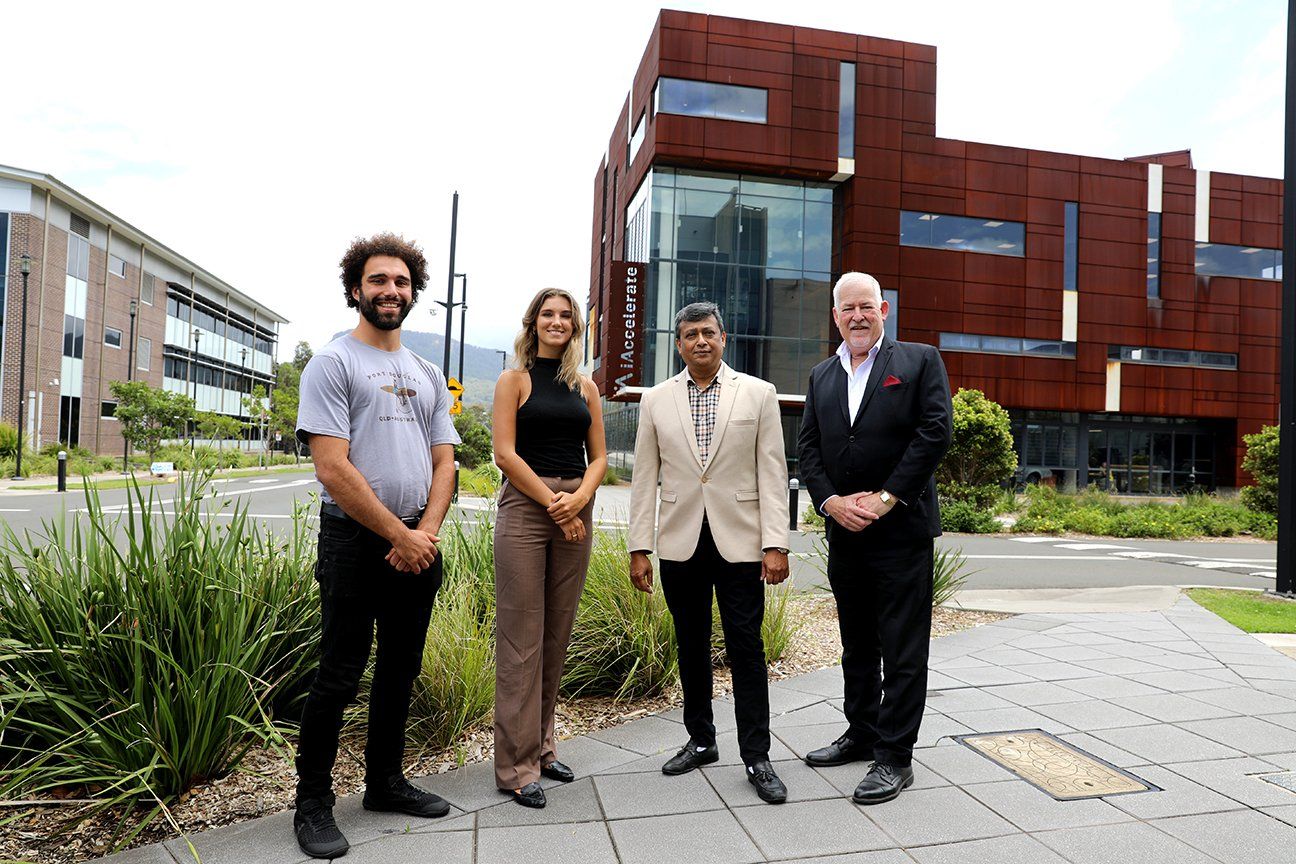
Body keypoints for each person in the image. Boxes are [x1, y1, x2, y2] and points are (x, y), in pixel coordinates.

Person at [292, 233, 460, 858]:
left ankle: (384, 783)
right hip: (355, 542)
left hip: (419, 539)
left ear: (413, 292)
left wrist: (425, 535)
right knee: (338, 671)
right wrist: (398, 535)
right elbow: (331, 468)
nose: (391, 291)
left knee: (399, 669)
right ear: (355, 289)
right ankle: (312, 805)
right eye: (379, 281)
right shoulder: (333, 363)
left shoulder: (425, 371)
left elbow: (446, 464)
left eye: (401, 282)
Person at [796, 271, 952, 805]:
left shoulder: (919, 360)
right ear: (835, 315)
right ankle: (861, 733)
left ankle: (894, 757)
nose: (857, 316)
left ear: (882, 308)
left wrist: (887, 498)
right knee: (856, 643)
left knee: (902, 647)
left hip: (901, 529)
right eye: (847, 309)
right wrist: (830, 502)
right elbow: (809, 449)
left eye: (866, 306)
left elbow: (936, 431)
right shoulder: (821, 374)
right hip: (846, 531)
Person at [628, 301, 790, 805]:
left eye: (709, 333)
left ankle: (757, 756)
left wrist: (776, 543)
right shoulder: (655, 400)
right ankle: (701, 740)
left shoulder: (759, 395)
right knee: (690, 645)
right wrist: (640, 547)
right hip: (680, 543)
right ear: (678, 344)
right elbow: (644, 479)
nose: (700, 341)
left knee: (747, 648)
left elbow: (772, 474)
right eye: (690, 334)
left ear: (724, 339)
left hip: (741, 542)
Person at [491, 288, 608, 808]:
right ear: (533, 322)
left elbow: (599, 457)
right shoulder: (512, 380)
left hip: (574, 508)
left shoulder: (586, 388)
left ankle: (542, 747)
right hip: (525, 507)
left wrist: (578, 497)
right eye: (547, 314)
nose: (556, 322)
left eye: (565, 315)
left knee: (557, 633)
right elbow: (504, 453)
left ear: (575, 326)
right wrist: (553, 502)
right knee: (521, 639)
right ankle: (515, 767)